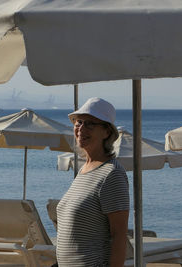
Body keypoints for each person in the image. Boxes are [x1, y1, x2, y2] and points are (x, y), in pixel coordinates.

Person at [56, 97, 130, 267]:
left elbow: (119, 235)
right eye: (78, 122)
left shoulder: (112, 173)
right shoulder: (84, 170)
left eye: (90, 124)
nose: (81, 128)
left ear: (107, 132)